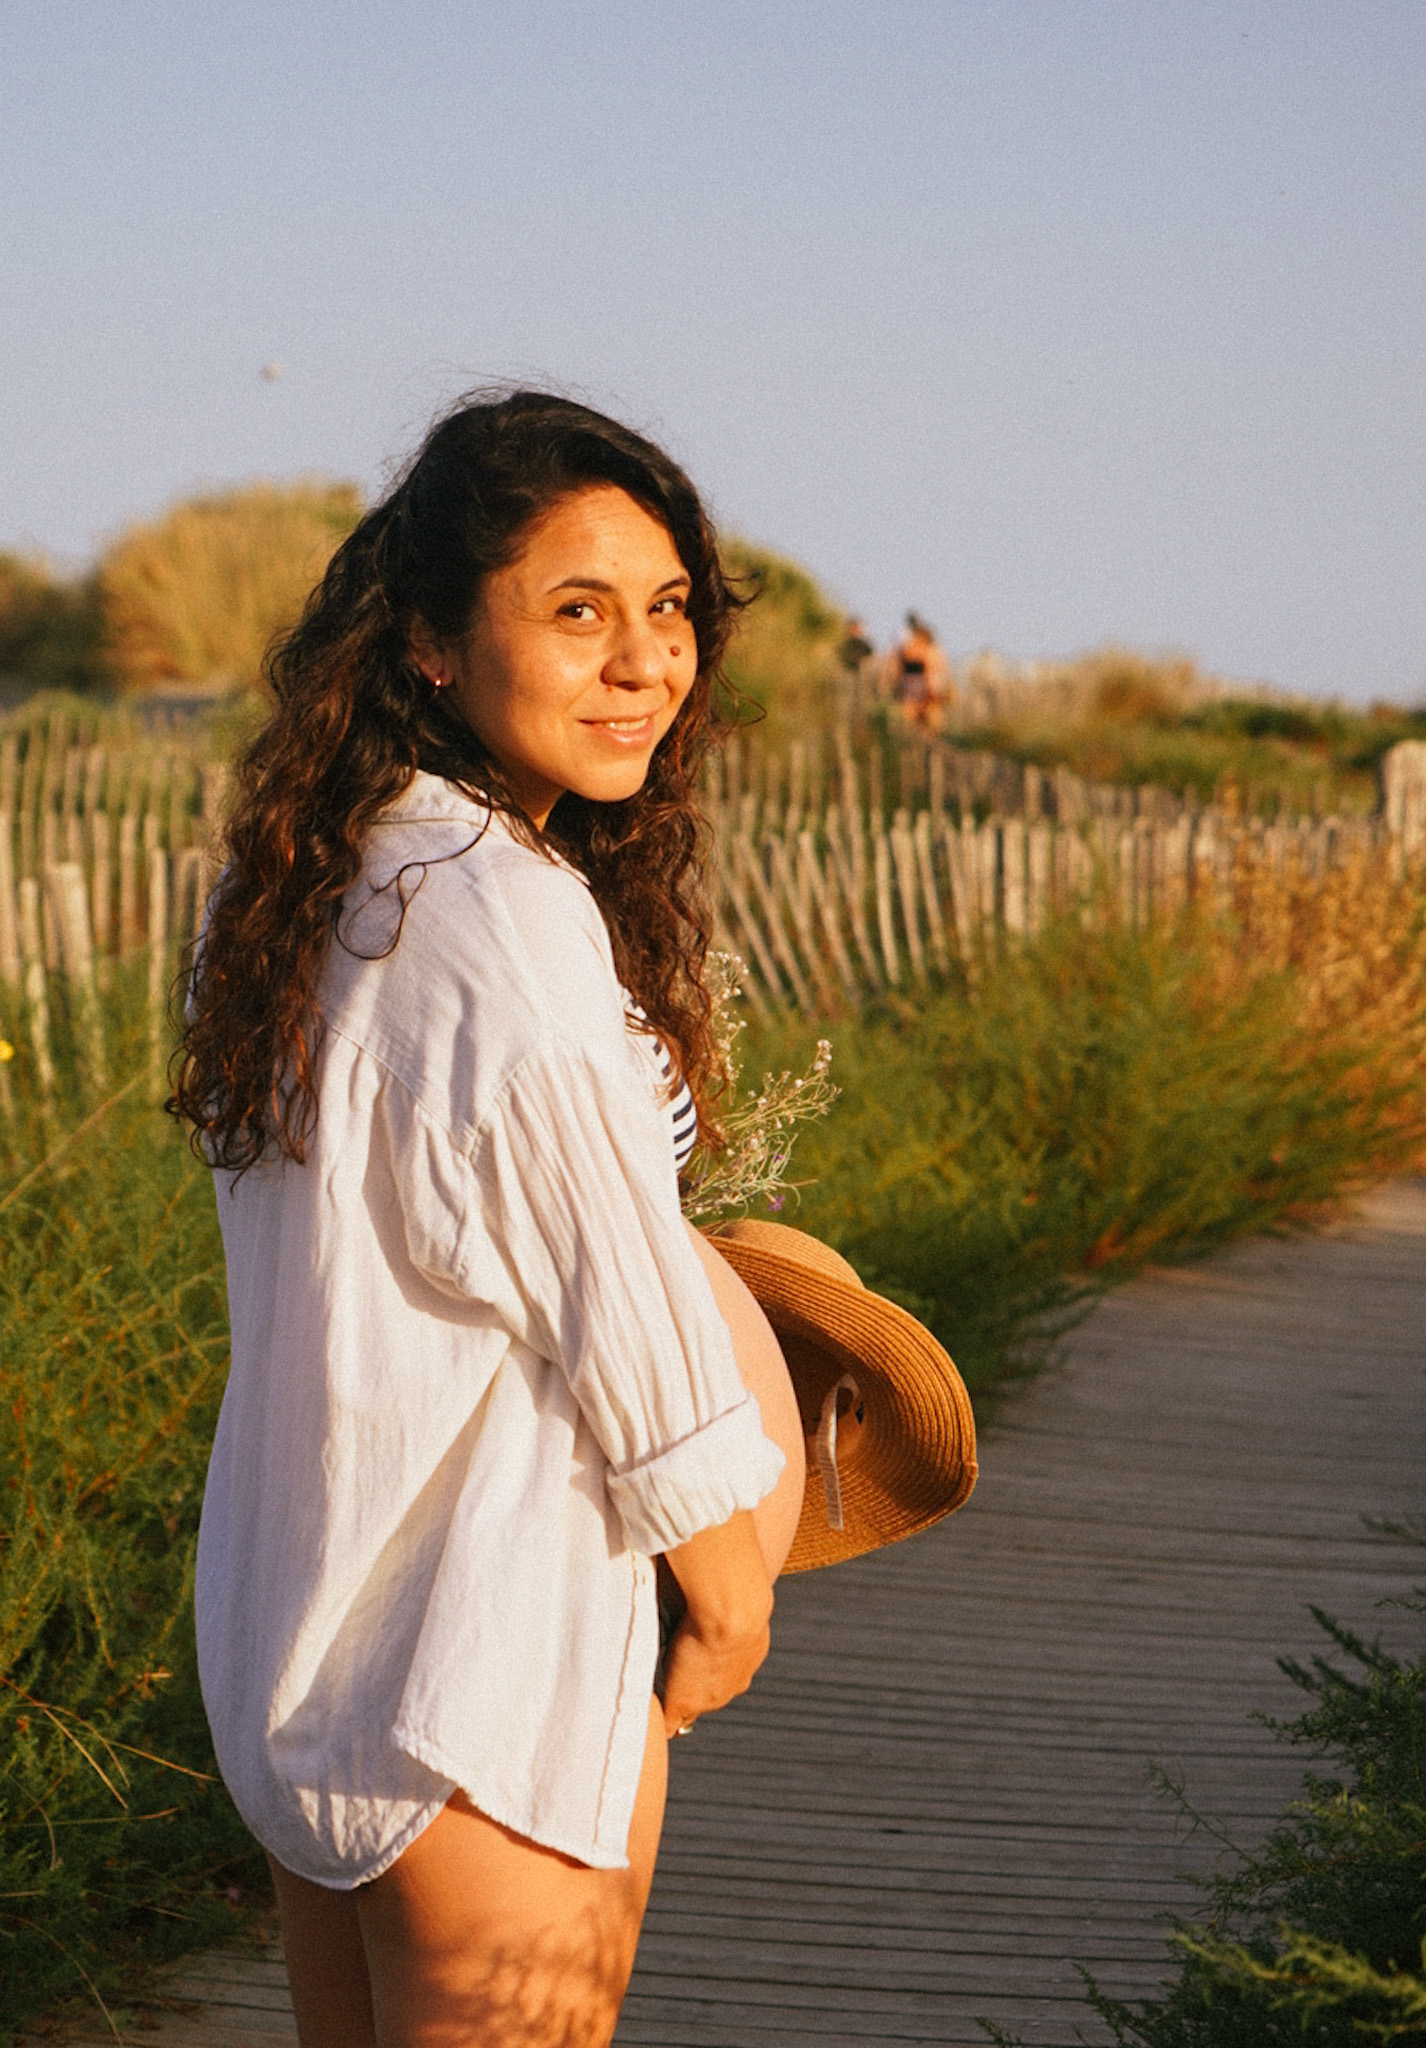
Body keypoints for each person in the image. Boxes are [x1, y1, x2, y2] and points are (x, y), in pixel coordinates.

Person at [174, 390, 808, 2048]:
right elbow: (614, 1302)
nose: (642, 663)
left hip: (334, 1620)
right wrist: (727, 1592)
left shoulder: (316, 878)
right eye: (576, 610)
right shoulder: (499, 907)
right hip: (490, 1638)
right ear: (436, 644)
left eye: (666, 610)